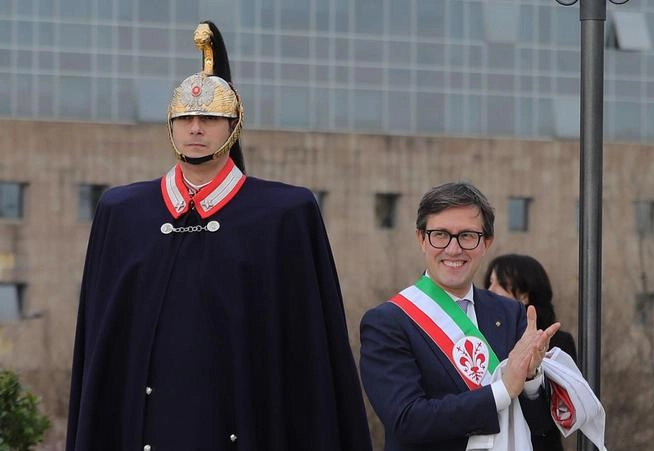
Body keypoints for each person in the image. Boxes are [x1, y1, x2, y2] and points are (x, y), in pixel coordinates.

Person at [65, 22, 372, 451]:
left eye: (209, 118)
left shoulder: (285, 214)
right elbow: (101, 351)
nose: (195, 129)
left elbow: (311, 355)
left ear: (233, 125)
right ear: (170, 127)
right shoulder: (122, 213)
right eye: (185, 118)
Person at [359, 181, 561, 451]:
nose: (453, 249)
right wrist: (501, 391)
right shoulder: (388, 322)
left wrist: (532, 378)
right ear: (421, 238)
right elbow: (407, 421)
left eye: (467, 235)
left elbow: (541, 428)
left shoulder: (510, 313)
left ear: (486, 242)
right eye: (440, 235)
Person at [484, 253, 577, 451]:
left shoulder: (557, 343)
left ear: (525, 295)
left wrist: (531, 378)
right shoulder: (482, 337)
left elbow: (556, 415)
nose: (489, 290)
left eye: (500, 283)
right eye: (489, 282)